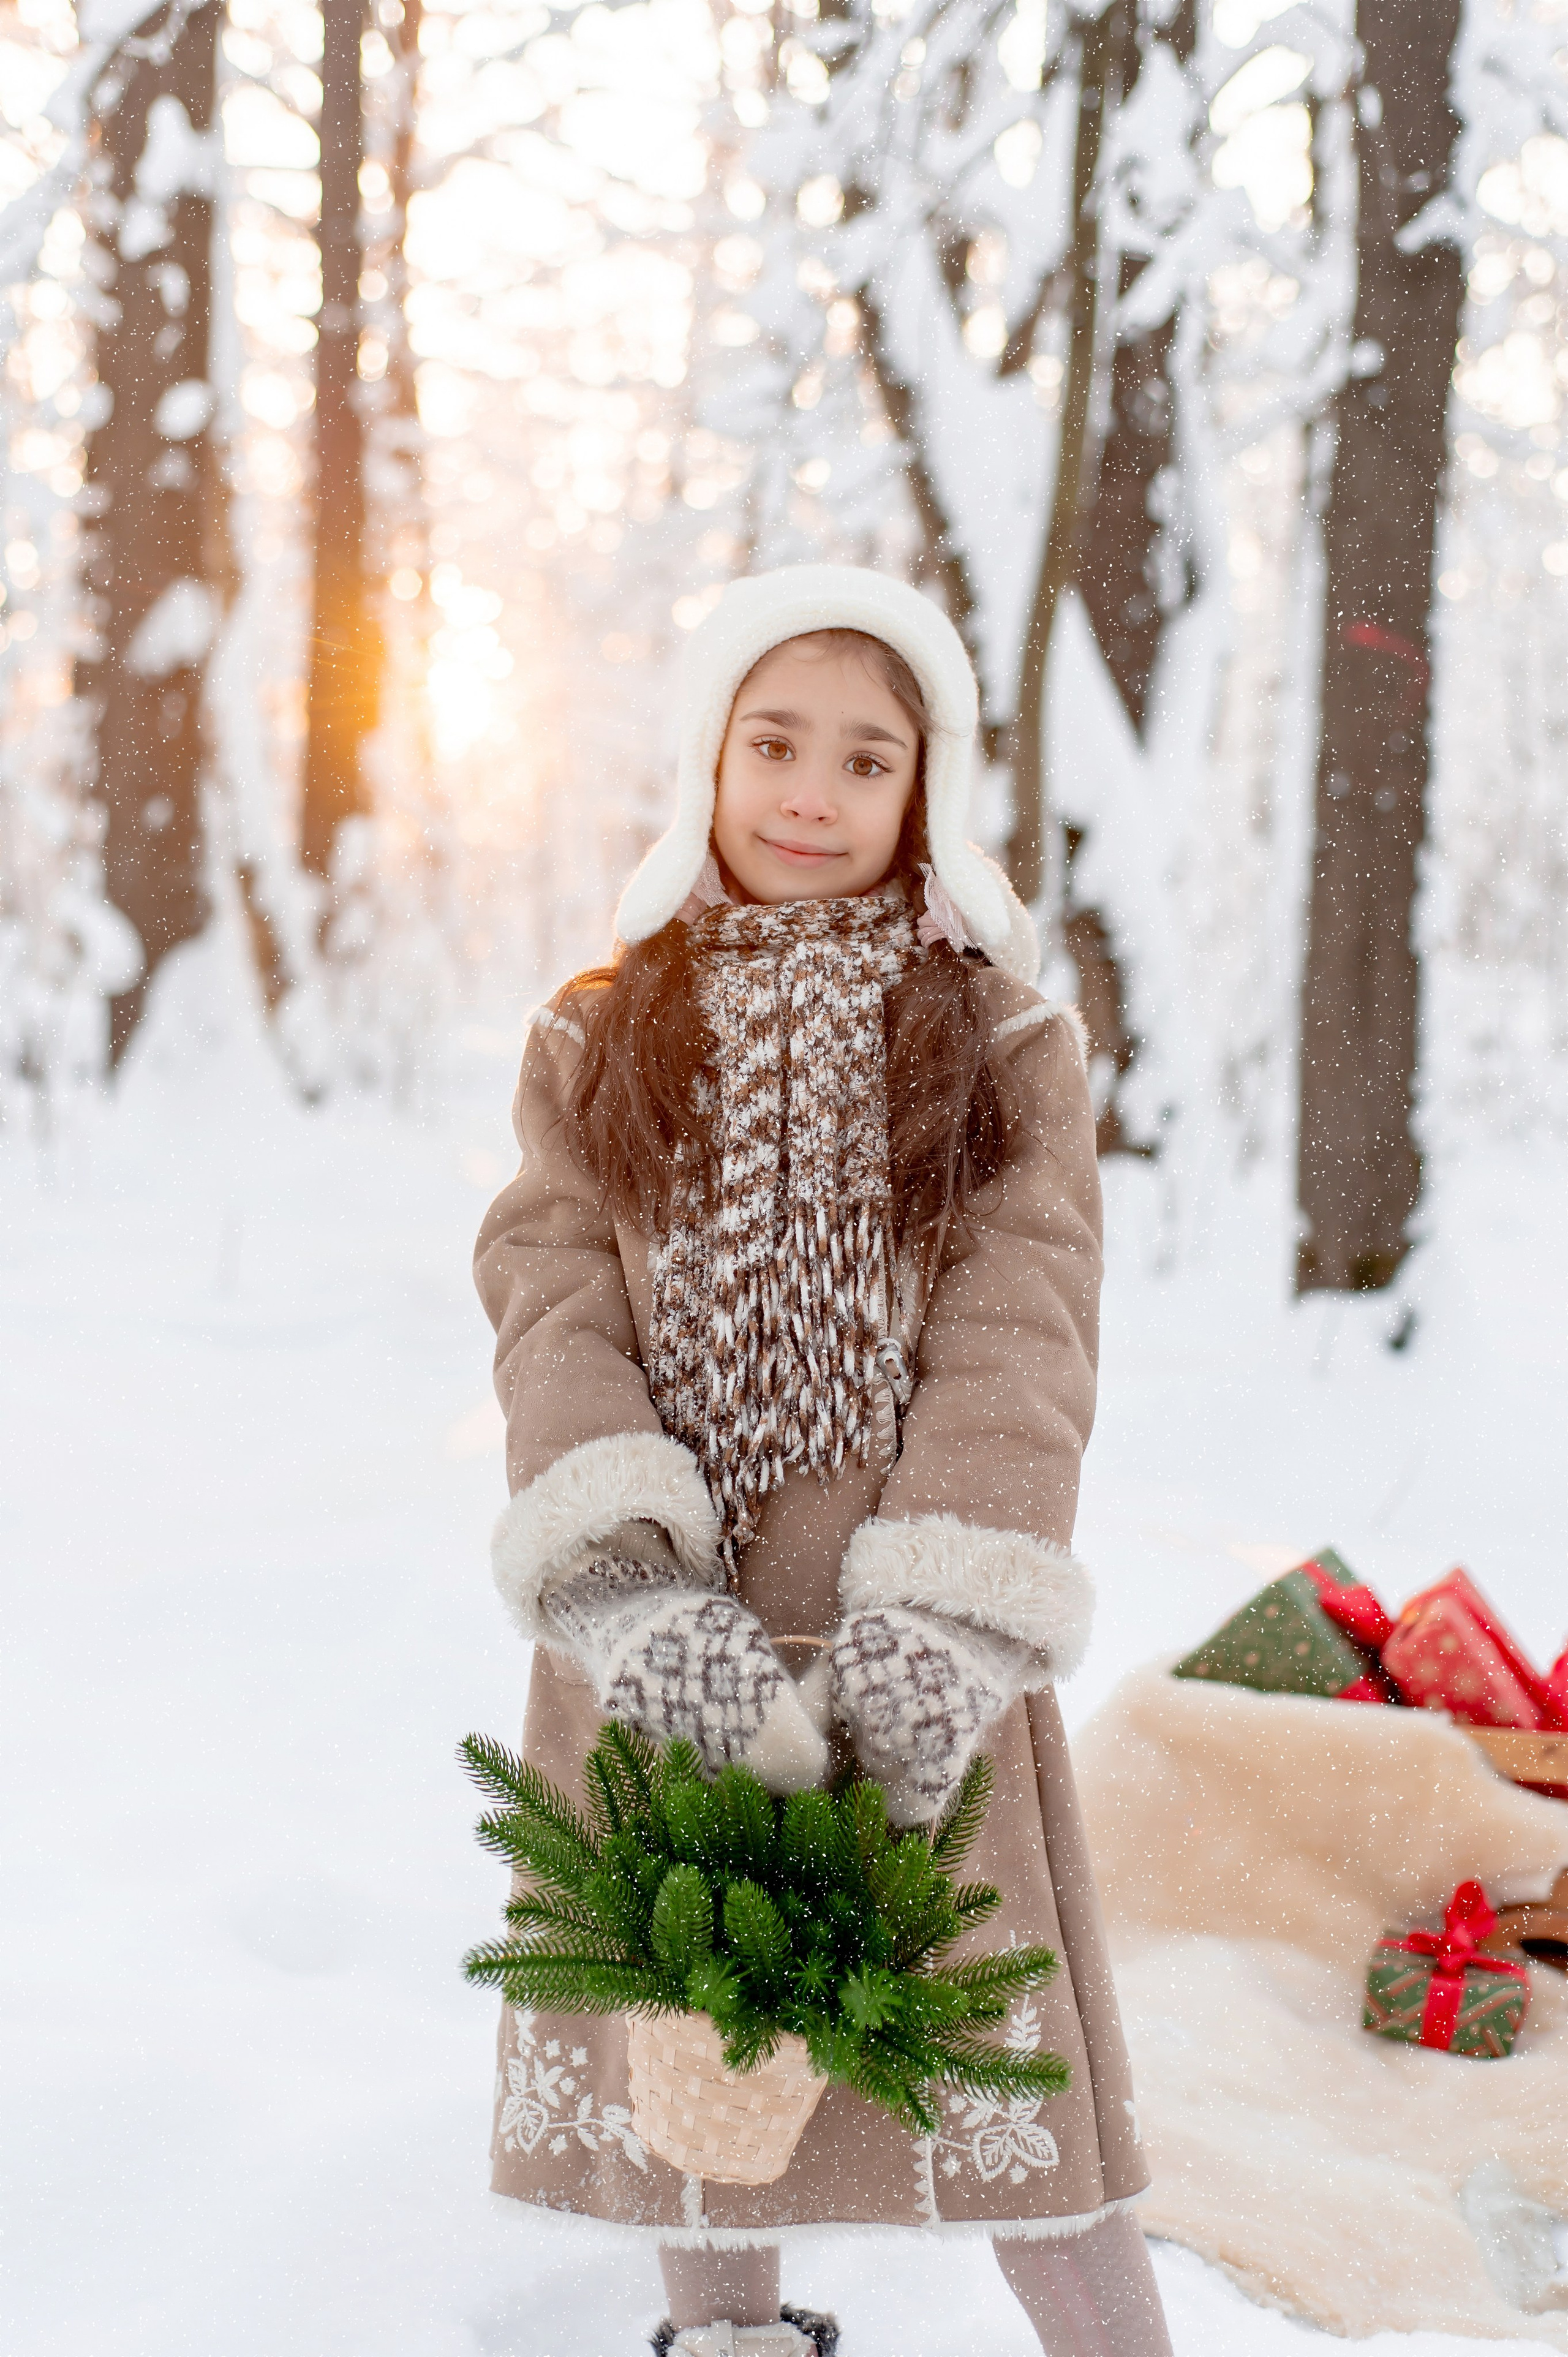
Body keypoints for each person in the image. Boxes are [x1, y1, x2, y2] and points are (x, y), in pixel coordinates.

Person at [473, 565, 1172, 2357]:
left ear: (920, 795)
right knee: (703, 2080)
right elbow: (556, 1307)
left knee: (1020, 2119)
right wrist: (632, 1598)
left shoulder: (1004, 1043)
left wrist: (929, 1648)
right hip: (676, 1646)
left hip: (907, 1652)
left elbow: (1023, 1332)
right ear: (711, 759)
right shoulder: (601, 1029)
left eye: (867, 760)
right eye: (774, 743)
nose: (811, 793)